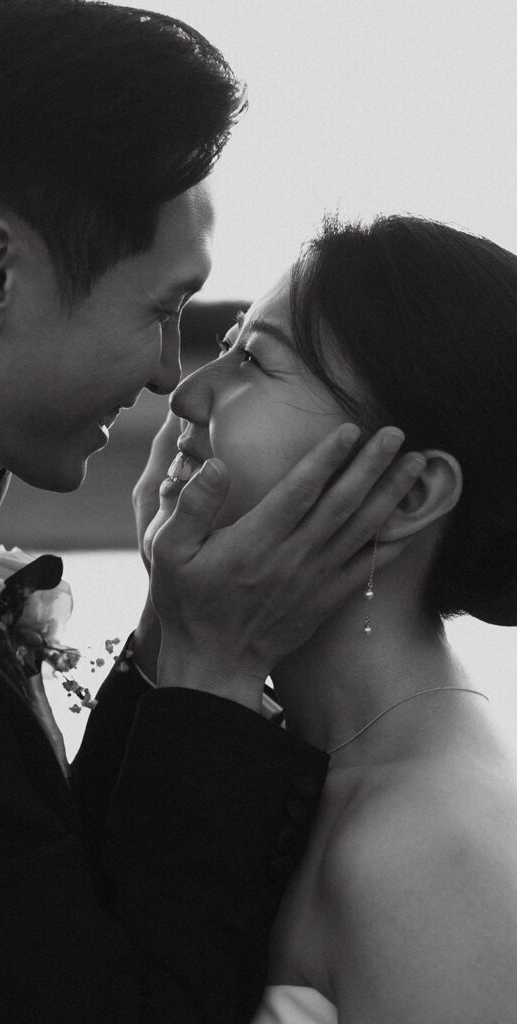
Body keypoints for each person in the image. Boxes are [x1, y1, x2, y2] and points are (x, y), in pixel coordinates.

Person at [0, 2, 421, 1021]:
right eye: (159, 311)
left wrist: (170, 641)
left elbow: (30, 909)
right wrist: (212, 671)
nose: (167, 378)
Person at [140, 214, 517, 1023]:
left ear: (410, 495)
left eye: (254, 361)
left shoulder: (429, 853)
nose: (187, 394)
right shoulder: (307, 765)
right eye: (226, 345)